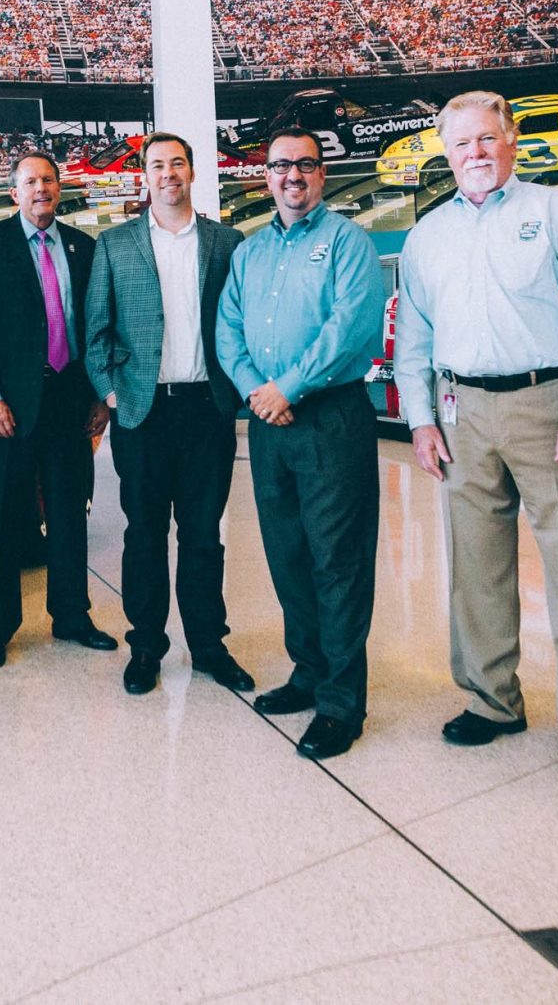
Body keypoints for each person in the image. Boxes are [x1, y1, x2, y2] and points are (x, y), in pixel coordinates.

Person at [393, 91, 558, 782]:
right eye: (462, 143)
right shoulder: (427, 236)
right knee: (476, 566)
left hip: (547, 403)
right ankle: (491, 700)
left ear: (512, 140)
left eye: (487, 138)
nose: (476, 153)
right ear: (446, 153)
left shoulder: (556, 212)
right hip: (461, 409)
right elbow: (414, 341)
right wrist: (421, 419)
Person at [217, 128, 384, 759]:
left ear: (322, 174)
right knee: (287, 552)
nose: (293, 175)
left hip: (330, 417)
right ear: (266, 176)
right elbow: (228, 327)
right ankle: (309, 671)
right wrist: (256, 391)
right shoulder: (250, 252)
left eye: (305, 164)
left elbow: (351, 327)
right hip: (269, 422)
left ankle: (341, 701)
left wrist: (287, 387)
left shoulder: (347, 242)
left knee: (337, 559)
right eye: (281, 165)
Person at [84, 132, 252, 697]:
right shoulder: (115, 244)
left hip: (207, 410)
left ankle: (208, 646)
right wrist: (111, 394)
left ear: (192, 171)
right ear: (145, 175)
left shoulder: (227, 243)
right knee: (145, 535)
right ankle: (146, 647)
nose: (168, 174)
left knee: (204, 535)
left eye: (177, 163)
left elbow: (240, 323)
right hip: (143, 413)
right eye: (157, 165)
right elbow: (96, 332)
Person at [0, 152, 114, 668]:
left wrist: (100, 395)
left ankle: (71, 615)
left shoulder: (83, 246)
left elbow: (96, 326)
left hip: (71, 401)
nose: (41, 188)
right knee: (3, 519)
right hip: (11, 406)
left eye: (48, 179)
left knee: (70, 513)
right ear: (14, 192)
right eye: (30, 181)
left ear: (59, 187)